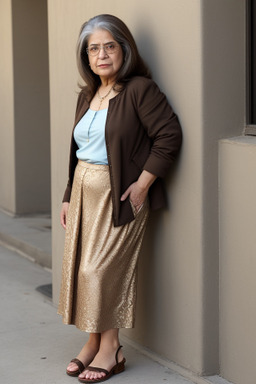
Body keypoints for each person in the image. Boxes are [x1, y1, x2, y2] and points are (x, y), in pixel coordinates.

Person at [58, 14, 182, 384]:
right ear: (87, 56)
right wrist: (68, 194)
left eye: (109, 46)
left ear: (124, 49)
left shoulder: (140, 90)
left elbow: (169, 136)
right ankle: (93, 342)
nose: (102, 55)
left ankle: (111, 348)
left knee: (99, 271)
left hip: (120, 194)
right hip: (83, 191)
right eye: (93, 48)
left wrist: (143, 185)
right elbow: (79, 150)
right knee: (81, 270)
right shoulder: (87, 94)